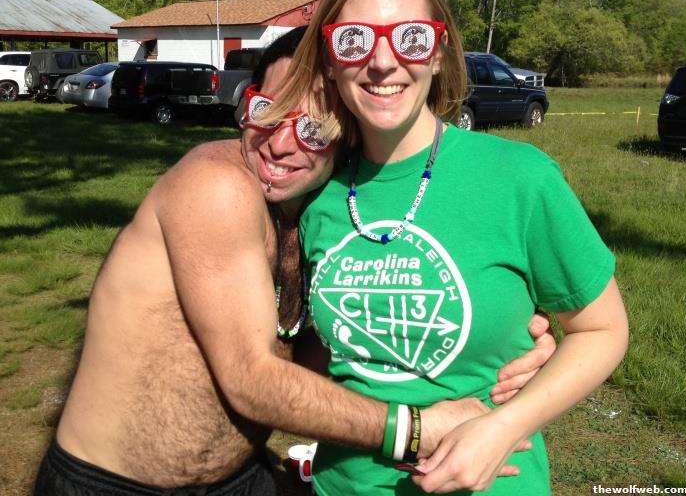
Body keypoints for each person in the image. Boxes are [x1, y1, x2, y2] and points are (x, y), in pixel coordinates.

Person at [34, 26, 555, 496]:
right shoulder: (216, 186)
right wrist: (417, 430)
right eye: (268, 111)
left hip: (244, 476)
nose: (281, 144)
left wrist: (502, 330)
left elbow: (320, 354)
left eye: (315, 129)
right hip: (112, 484)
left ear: (350, 136)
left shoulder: (318, 213)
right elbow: (251, 380)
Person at [265, 0, 630, 495]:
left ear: (438, 53)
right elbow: (304, 349)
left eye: (410, 37)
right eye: (355, 39)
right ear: (331, 59)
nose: (383, 62)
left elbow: (602, 328)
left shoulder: (519, 177)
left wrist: (505, 426)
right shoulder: (317, 190)